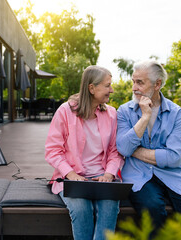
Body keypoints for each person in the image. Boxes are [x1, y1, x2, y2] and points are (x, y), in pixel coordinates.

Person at [116, 60, 181, 235]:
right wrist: (145, 117)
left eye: (140, 82)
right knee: (152, 209)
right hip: (138, 174)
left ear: (158, 84)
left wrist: (135, 150)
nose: (134, 87)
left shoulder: (177, 113)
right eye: (133, 81)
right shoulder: (124, 111)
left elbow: (173, 157)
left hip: (174, 173)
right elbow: (123, 149)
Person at [45, 65, 124, 240]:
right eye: (107, 85)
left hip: (102, 178)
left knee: (110, 207)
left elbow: (115, 151)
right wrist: (71, 174)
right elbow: (53, 150)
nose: (111, 90)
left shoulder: (111, 114)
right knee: (81, 210)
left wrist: (109, 174)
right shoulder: (65, 111)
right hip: (72, 179)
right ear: (91, 88)